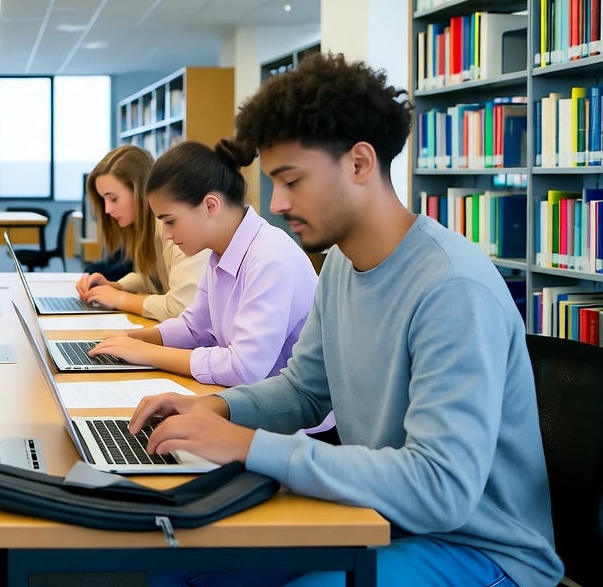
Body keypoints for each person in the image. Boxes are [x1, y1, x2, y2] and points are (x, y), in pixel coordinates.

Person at [132, 53, 563, 587]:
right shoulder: (340, 265)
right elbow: (305, 391)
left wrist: (247, 446)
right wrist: (215, 407)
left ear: (359, 163)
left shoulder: (452, 289)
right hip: (383, 518)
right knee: (178, 566)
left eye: (292, 181)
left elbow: (440, 488)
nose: (278, 202)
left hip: (477, 548)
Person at [89, 140, 318, 387]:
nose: (165, 234)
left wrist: (144, 352)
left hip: (297, 422)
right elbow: (193, 328)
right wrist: (134, 338)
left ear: (210, 206)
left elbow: (243, 368)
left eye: (170, 221)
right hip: (253, 399)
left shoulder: (271, 257)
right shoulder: (220, 252)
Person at [77, 144, 208, 320]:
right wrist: (116, 286)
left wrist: (120, 299)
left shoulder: (176, 226)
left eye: (114, 198)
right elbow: (156, 280)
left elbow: (181, 308)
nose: (107, 209)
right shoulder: (146, 228)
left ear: (140, 190)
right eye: (104, 200)